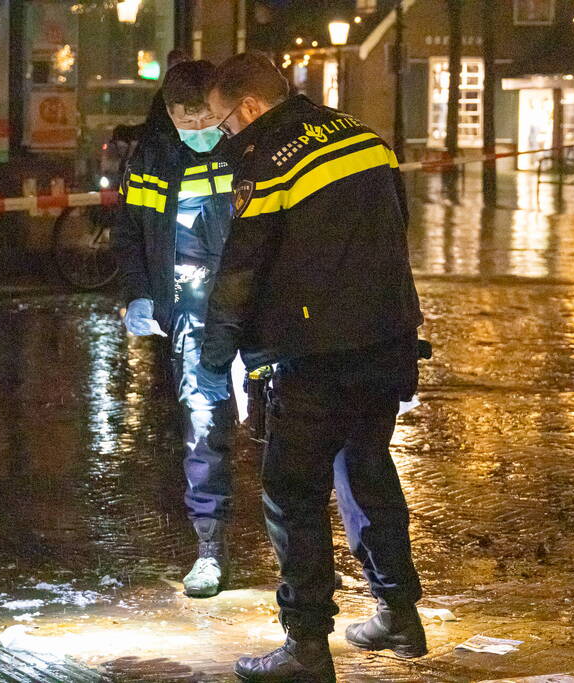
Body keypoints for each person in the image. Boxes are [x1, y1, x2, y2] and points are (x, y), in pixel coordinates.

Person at [194, 52, 428, 681]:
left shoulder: (269, 159)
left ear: (248, 109)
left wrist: (213, 358)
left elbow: (241, 270)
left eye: (221, 125)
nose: (222, 137)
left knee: (293, 491)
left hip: (313, 354)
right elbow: (397, 228)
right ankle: (398, 614)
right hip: (387, 339)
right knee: (367, 469)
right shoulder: (363, 137)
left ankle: (306, 645)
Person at [113, 60, 237, 598]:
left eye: (209, 118)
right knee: (204, 427)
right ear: (170, 114)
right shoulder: (152, 161)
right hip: (192, 313)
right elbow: (130, 231)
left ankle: (298, 547)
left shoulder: (245, 149)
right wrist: (140, 293)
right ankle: (209, 547)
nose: (202, 131)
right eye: (191, 122)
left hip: (255, 309)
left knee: (287, 427)